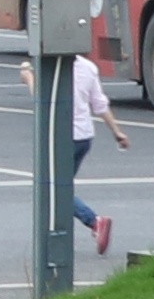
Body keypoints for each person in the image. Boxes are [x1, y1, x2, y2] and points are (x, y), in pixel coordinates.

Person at [21, 35, 132, 255]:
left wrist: (28, 78)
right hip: (84, 136)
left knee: (54, 188)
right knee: (60, 186)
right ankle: (59, 229)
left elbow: (43, 101)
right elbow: (99, 104)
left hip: (61, 136)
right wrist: (117, 132)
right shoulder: (88, 67)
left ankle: (94, 221)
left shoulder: (50, 68)